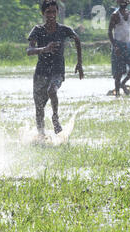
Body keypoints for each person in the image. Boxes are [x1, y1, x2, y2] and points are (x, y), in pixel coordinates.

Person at [27, 0, 84, 138]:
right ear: (43, 14)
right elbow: (29, 50)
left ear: (57, 12)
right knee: (39, 108)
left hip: (57, 70)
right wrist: (44, 49)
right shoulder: (37, 30)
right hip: (41, 72)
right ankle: (41, 136)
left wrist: (79, 63)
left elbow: (77, 40)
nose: (51, 15)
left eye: (54, 11)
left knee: (52, 90)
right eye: (48, 12)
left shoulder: (64, 30)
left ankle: (55, 117)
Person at [108, 0, 130, 97]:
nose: (123, 3)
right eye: (121, 1)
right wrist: (115, 45)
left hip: (127, 45)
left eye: (124, 1)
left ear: (127, 3)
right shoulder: (115, 15)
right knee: (118, 73)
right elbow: (109, 32)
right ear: (118, 3)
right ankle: (117, 94)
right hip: (118, 45)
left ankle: (123, 83)